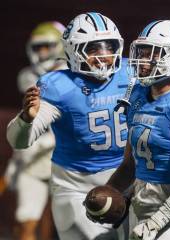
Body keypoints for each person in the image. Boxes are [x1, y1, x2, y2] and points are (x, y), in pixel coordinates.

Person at [6, 12, 129, 240]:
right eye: (93, 49)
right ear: (73, 50)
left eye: (109, 46)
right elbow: (18, 140)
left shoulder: (131, 74)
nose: (103, 55)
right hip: (77, 184)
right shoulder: (58, 86)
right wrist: (26, 119)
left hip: (129, 176)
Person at [86, 20, 170, 240]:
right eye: (141, 52)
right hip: (141, 202)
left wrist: (157, 222)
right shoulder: (137, 97)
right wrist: (108, 193)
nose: (141, 60)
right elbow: (131, 163)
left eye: (151, 54)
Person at [4, 21, 66, 240]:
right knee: (26, 221)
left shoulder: (73, 77)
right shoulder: (28, 76)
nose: (41, 53)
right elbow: (28, 121)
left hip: (64, 158)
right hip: (33, 159)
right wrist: (15, 162)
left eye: (46, 47)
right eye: (38, 47)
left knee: (68, 224)